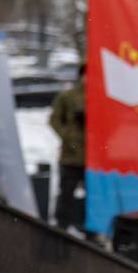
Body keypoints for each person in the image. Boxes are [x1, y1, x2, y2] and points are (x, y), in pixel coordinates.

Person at [49, 64, 86, 231]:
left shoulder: (100, 97)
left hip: (93, 159)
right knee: (66, 195)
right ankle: (62, 228)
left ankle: (88, 229)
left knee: (92, 198)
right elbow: (54, 119)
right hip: (70, 156)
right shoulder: (68, 96)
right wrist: (68, 136)